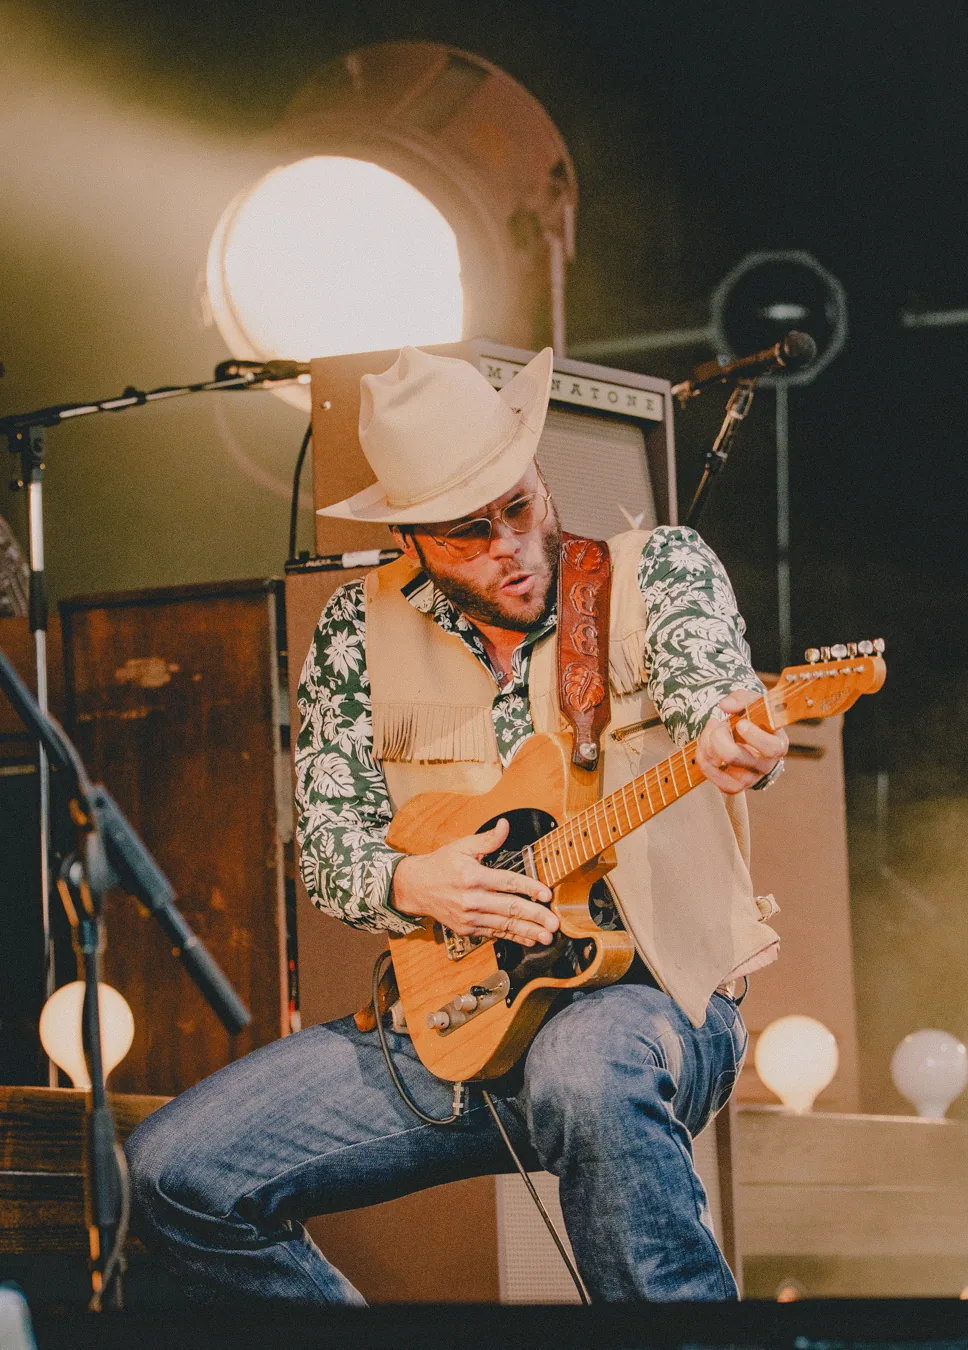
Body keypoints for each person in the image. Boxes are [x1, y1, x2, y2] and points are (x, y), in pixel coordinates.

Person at [126, 346, 787, 1305]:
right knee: (174, 1174)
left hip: (653, 1006)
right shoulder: (354, 631)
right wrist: (409, 883)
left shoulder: (663, 572)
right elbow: (330, 844)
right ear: (411, 538)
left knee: (586, 1064)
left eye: (518, 507)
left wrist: (739, 737)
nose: (508, 548)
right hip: (457, 1020)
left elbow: (717, 696)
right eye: (466, 533)